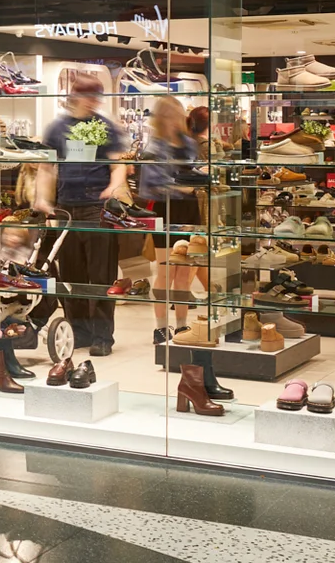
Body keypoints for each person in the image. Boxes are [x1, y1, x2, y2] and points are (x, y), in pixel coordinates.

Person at [37, 72, 133, 357]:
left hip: (97, 208)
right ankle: (79, 330)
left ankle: (103, 336)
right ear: (75, 96)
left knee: (100, 274)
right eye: (88, 96)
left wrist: (113, 187)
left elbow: (118, 165)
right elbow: (46, 167)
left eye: (96, 97)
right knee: (71, 272)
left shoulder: (106, 128)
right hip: (67, 207)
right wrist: (43, 199)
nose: (93, 103)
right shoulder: (57, 128)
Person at [143, 95, 209, 342]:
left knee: (184, 272)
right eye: (169, 116)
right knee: (166, 270)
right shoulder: (154, 147)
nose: (173, 121)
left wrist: (199, 176)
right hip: (165, 210)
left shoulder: (187, 143)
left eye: (177, 116)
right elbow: (148, 187)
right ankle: (161, 327)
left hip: (190, 210)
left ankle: (181, 326)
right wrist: (181, 186)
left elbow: (191, 171)